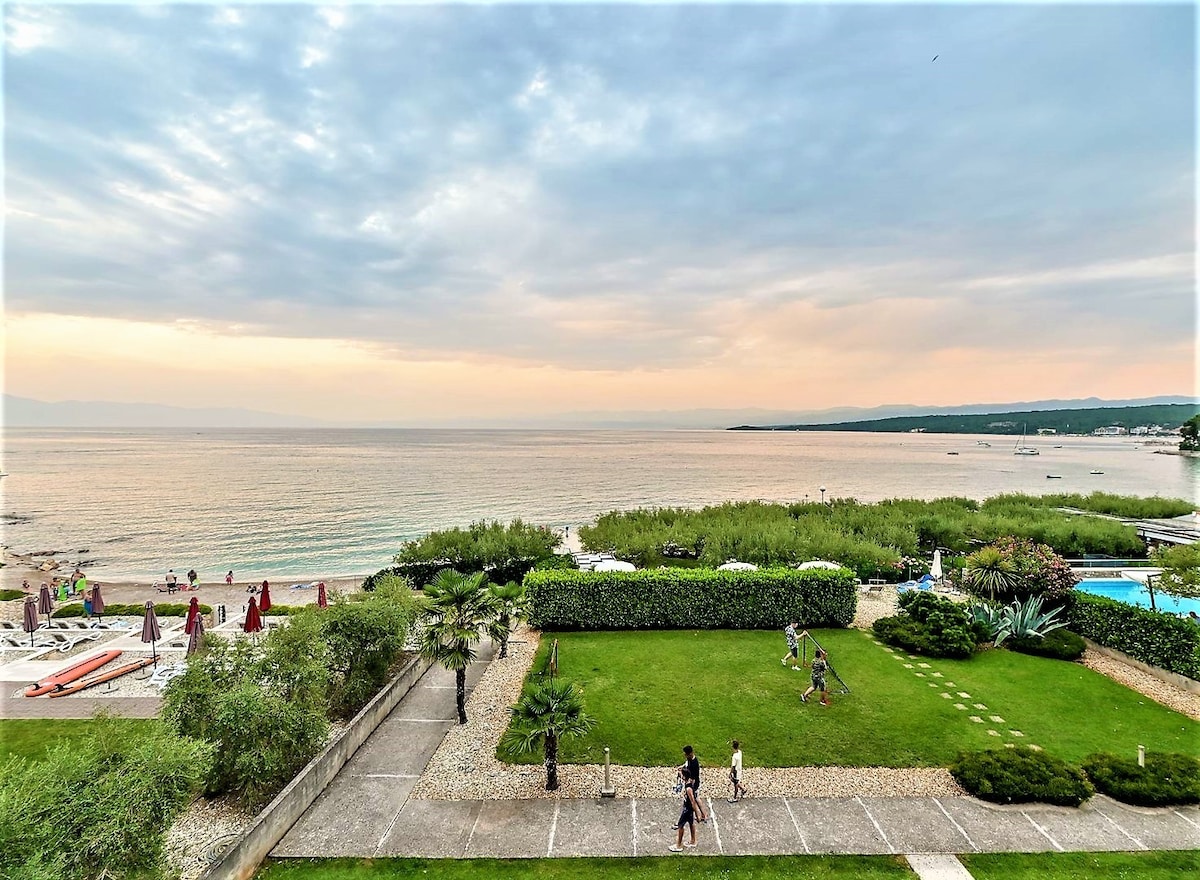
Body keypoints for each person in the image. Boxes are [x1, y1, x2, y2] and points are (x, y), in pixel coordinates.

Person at [668, 771, 699, 852]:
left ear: (685, 776)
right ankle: (693, 841)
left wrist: (697, 814)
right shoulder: (689, 782)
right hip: (689, 809)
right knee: (691, 823)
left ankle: (678, 845)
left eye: (682, 775)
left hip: (687, 810)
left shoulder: (688, 788)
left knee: (680, 826)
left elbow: (693, 801)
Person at [681, 745, 707, 822]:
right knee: (696, 798)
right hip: (692, 783)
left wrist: (688, 785)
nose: (685, 755)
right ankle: (704, 815)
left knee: (695, 799)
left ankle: (702, 815)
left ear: (690, 754)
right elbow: (686, 764)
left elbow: (693, 778)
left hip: (694, 784)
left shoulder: (694, 764)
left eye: (686, 754)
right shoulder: (689, 759)